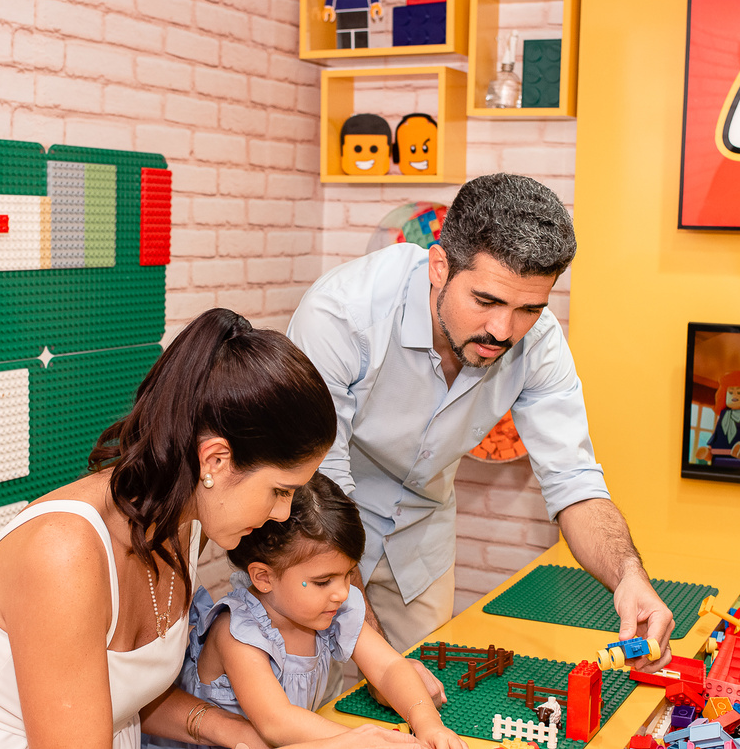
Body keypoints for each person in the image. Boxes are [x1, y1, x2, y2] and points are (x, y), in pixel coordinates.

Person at [0, 309, 442, 749]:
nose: (282, 513)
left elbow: (119, 691)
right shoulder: (63, 555)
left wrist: (235, 732)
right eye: (279, 490)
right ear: (215, 460)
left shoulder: (185, 523)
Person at [287, 173, 676, 696]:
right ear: (439, 266)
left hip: (418, 536)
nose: (503, 330)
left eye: (529, 309)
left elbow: (574, 481)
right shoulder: (341, 316)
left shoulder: (538, 344)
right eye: (486, 300)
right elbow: (317, 489)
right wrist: (380, 661)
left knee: (425, 703)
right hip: (313, 529)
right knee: (308, 703)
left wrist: (629, 575)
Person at [142, 473, 468, 749]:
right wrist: (373, 747)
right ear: (264, 577)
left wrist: (427, 723)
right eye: (323, 581)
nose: (342, 592)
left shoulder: (329, 608)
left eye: (347, 574)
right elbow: (278, 722)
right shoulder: (237, 632)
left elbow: (388, 668)